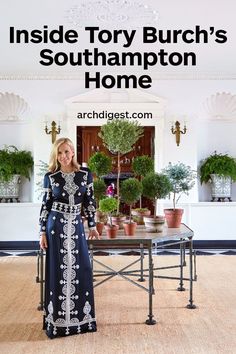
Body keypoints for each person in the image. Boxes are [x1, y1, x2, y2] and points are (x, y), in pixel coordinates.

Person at [39, 137, 99, 339]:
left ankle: (82, 320)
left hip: (76, 226)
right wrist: (41, 232)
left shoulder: (85, 175)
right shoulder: (51, 177)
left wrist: (92, 225)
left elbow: (90, 201)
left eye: (66, 151)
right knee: (57, 271)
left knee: (83, 267)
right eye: (59, 153)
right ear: (56, 155)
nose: (63, 156)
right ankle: (57, 323)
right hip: (55, 227)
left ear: (73, 152)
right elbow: (46, 206)